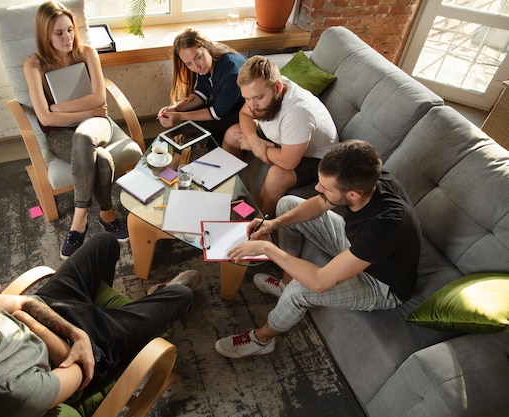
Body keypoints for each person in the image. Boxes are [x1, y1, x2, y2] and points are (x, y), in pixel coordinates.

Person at [0, 232, 200, 417]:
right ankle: (162, 297)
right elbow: (78, 372)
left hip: (56, 315)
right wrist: (76, 337)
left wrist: (54, 325)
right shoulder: (11, 391)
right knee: (182, 295)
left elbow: (23, 303)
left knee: (105, 241)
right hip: (93, 353)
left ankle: (108, 305)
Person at [214, 140, 421, 359]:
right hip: (359, 248)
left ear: (353, 194)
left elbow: (319, 281)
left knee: (301, 290)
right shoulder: (370, 177)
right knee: (287, 205)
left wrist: (268, 248)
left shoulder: (385, 226)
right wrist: (273, 224)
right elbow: (322, 203)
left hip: (380, 284)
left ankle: (261, 339)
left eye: (325, 187)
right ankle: (285, 284)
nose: (317, 188)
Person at [24, 1, 128, 259]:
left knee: (84, 136)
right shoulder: (34, 65)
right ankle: (106, 213)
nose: (67, 37)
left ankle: (78, 221)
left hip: (95, 125)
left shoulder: (87, 53)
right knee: (102, 159)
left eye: (70, 30)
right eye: (59, 33)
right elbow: (45, 117)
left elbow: (98, 97)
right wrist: (86, 112)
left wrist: (61, 108)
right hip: (59, 132)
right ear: (44, 33)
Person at [222, 55, 338, 217]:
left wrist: (256, 148)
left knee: (277, 176)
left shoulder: (298, 112)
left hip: (315, 157)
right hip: (282, 139)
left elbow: (288, 161)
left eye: (258, 98)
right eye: (247, 99)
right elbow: (245, 114)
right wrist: (253, 140)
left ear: (277, 87)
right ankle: (229, 196)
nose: (252, 106)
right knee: (232, 135)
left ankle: (257, 226)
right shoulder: (263, 91)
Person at [157, 27, 247, 142]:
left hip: (245, 111)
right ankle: (180, 157)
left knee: (193, 124)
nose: (196, 67)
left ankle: (181, 158)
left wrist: (179, 116)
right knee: (190, 120)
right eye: (189, 64)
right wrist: (175, 108)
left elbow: (217, 113)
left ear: (206, 47)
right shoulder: (207, 64)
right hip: (225, 106)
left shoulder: (231, 71)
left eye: (198, 57)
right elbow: (201, 94)